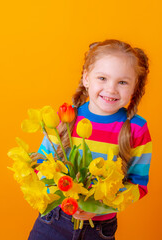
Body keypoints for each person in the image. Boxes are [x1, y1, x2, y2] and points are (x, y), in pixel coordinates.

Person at [28, 39, 152, 240]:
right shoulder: (65, 118)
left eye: (122, 82)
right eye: (102, 78)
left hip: (99, 228)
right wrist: (64, 192)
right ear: (86, 78)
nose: (111, 89)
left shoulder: (136, 129)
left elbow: (138, 185)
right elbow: (40, 163)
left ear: (134, 87)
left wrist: (99, 207)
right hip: (53, 220)